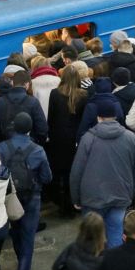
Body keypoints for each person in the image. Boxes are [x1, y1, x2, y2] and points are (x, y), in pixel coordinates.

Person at [71, 99, 135, 248]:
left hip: (92, 198)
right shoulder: (130, 138)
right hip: (121, 195)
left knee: (90, 239)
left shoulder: (88, 138)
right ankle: (113, 269)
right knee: (116, 236)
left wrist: (76, 197)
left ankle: (92, 268)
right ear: (115, 116)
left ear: (98, 117)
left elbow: (77, 171)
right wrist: (132, 193)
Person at [0, 112, 52, 270]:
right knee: (28, 236)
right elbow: (47, 177)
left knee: (16, 231)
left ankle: (21, 261)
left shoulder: (2, 148)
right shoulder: (38, 150)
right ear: (30, 129)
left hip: (10, 197)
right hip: (31, 197)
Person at [48, 64, 87, 215]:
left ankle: (62, 205)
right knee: (74, 172)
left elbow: (50, 118)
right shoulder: (83, 95)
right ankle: (74, 203)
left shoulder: (55, 93)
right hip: (75, 139)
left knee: (60, 173)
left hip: (58, 139)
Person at [0, 70, 49, 144]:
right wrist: (35, 144)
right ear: (26, 84)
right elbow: (42, 130)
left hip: (5, 150)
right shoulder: (33, 102)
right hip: (29, 148)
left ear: (13, 83)